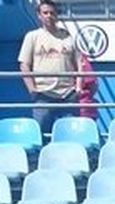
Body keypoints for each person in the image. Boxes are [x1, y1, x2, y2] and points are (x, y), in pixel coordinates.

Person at [17, 0, 81, 137]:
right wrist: (32, 89)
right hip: (43, 94)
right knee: (40, 133)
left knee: (71, 133)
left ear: (57, 15)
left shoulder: (67, 36)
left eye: (52, 13)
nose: (49, 16)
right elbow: (24, 64)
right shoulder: (32, 37)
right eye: (45, 13)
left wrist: (78, 87)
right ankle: (40, 157)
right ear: (39, 16)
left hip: (68, 94)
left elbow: (79, 64)